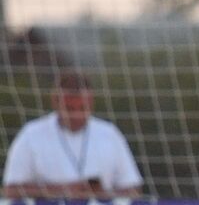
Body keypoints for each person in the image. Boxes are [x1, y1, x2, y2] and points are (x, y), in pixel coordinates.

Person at [4, 71, 143, 198]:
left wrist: (100, 194)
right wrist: (64, 190)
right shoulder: (31, 135)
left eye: (83, 108)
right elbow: (11, 190)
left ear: (91, 103)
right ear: (56, 103)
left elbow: (133, 189)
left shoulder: (109, 134)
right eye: (69, 109)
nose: (76, 115)